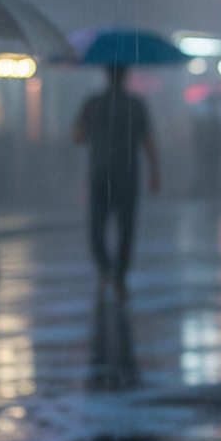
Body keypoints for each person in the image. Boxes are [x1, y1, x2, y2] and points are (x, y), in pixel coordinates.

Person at [74, 63, 157, 296]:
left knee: (97, 225)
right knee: (126, 226)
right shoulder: (135, 105)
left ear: (106, 75)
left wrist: (94, 136)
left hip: (100, 172)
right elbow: (148, 140)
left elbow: (77, 135)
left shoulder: (94, 103)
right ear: (125, 76)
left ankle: (104, 267)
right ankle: (119, 276)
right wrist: (154, 172)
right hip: (127, 174)